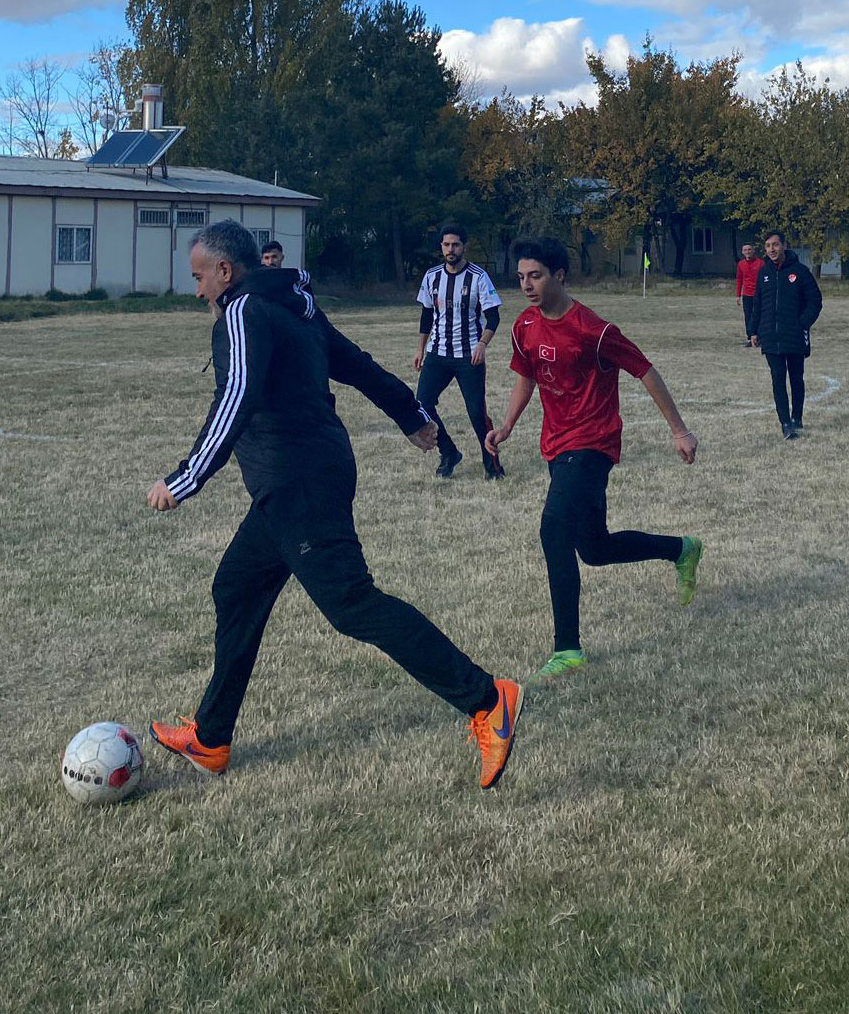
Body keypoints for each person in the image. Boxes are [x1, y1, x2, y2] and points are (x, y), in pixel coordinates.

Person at [146, 220, 521, 789]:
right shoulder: (290, 303)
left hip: (299, 481)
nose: (196, 290)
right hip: (294, 480)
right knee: (236, 587)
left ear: (226, 271)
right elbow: (354, 361)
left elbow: (237, 397)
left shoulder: (245, 311)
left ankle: (488, 699)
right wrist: (411, 413)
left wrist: (186, 477)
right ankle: (212, 736)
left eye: (199, 277)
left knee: (352, 605)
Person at [485, 236, 701, 679]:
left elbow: (645, 369)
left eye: (536, 275)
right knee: (595, 548)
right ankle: (682, 549)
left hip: (592, 443)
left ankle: (568, 648)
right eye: (521, 276)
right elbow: (527, 377)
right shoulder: (523, 325)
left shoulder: (592, 329)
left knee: (553, 531)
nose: (527, 284)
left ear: (559, 275)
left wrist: (679, 430)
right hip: (556, 444)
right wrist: (507, 425)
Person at [412, 223, 505, 480]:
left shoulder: (478, 277)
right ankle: (449, 452)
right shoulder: (432, 276)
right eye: (446, 244)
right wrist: (421, 349)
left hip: (468, 355)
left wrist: (482, 345)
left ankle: (493, 465)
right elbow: (426, 315)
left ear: (464, 246)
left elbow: (493, 318)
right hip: (438, 354)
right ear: (441, 246)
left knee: (476, 412)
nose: (450, 249)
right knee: (422, 405)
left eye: (455, 244)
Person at [748, 230, 823, 440]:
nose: (772, 250)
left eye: (775, 245)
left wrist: (802, 323)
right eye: (768, 246)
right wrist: (753, 330)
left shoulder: (800, 272)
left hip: (795, 336)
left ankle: (797, 416)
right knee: (778, 380)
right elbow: (758, 304)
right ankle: (785, 424)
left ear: (784, 246)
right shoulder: (763, 274)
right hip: (771, 337)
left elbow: (815, 301)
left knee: (796, 378)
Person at [734, 241, 765, 344]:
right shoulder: (741, 264)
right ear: (742, 252)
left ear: (753, 251)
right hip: (747, 295)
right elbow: (739, 279)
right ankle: (750, 338)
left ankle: (759, 337)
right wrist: (738, 295)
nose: (747, 252)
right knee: (748, 316)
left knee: (759, 316)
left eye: (749, 249)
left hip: (759, 294)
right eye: (745, 250)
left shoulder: (760, 263)